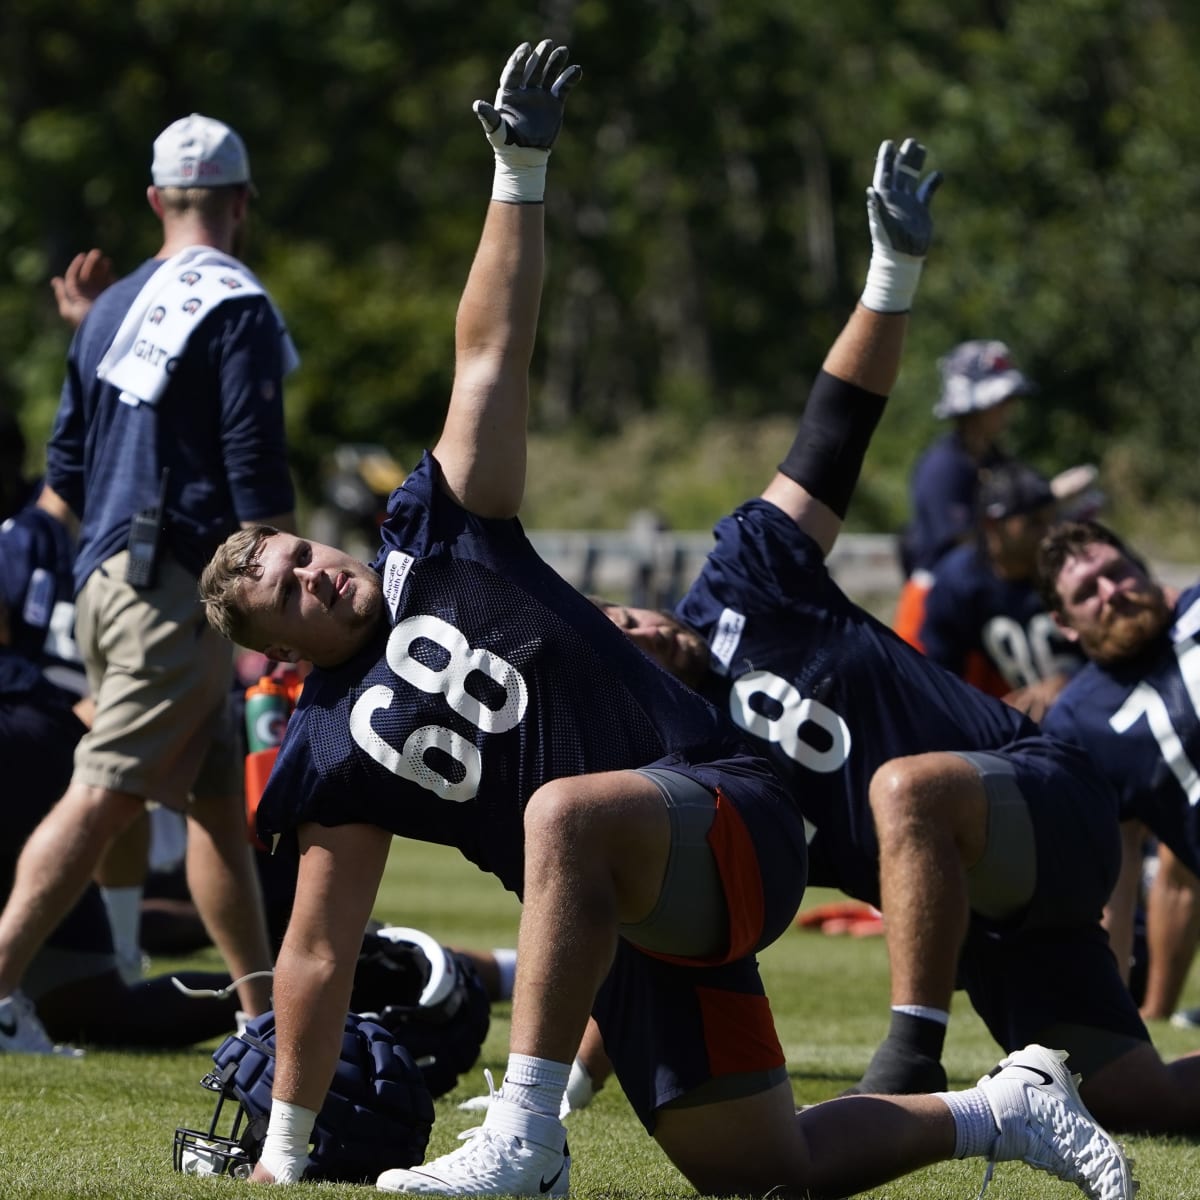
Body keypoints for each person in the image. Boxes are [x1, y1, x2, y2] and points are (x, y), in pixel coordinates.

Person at [197, 41, 1132, 1200]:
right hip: (631, 904)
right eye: (289, 591)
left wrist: (520, 176)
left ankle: (525, 1142)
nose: (315, 574)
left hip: (728, 812)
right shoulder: (328, 753)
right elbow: (316, 952)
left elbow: (491, 349)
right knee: (761, 1171)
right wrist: (284, 1155)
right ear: (280, 649)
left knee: (563, 812)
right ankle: (1000, 1109)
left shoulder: (445, 533)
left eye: (305, 554)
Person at [0, 110, 296, 1052]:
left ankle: (259, 1018)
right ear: (242, 202)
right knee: (106, 790)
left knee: (212, 802)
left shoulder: (108, 309)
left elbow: (67, 465)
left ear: (156, 201)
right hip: (176, 593)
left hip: (107, 583)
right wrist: (277, 602)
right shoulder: (238, 303)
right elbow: (254, 464)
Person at [1038, 520, 1200, 1025]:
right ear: (1064, 622)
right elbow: (1115, 874)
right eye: (1088, 591)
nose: (1112, 593)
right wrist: (1115, 1022)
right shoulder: (1080, 722)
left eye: (1118, 572)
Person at [898, 459, 1085, 720]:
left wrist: (1069, 681)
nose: (1049, 532)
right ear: (992, 525)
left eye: (1052, 518)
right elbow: (940, 677)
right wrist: (993, 715)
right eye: (1034, 522)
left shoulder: (1075, 567)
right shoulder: (959, 584)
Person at [898, 338, 1034, 579]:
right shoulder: (943, 466)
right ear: (976, 406)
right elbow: (963, 544)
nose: (1010, 408)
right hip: (946, 595)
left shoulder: (995, 458)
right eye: (1001, 401)